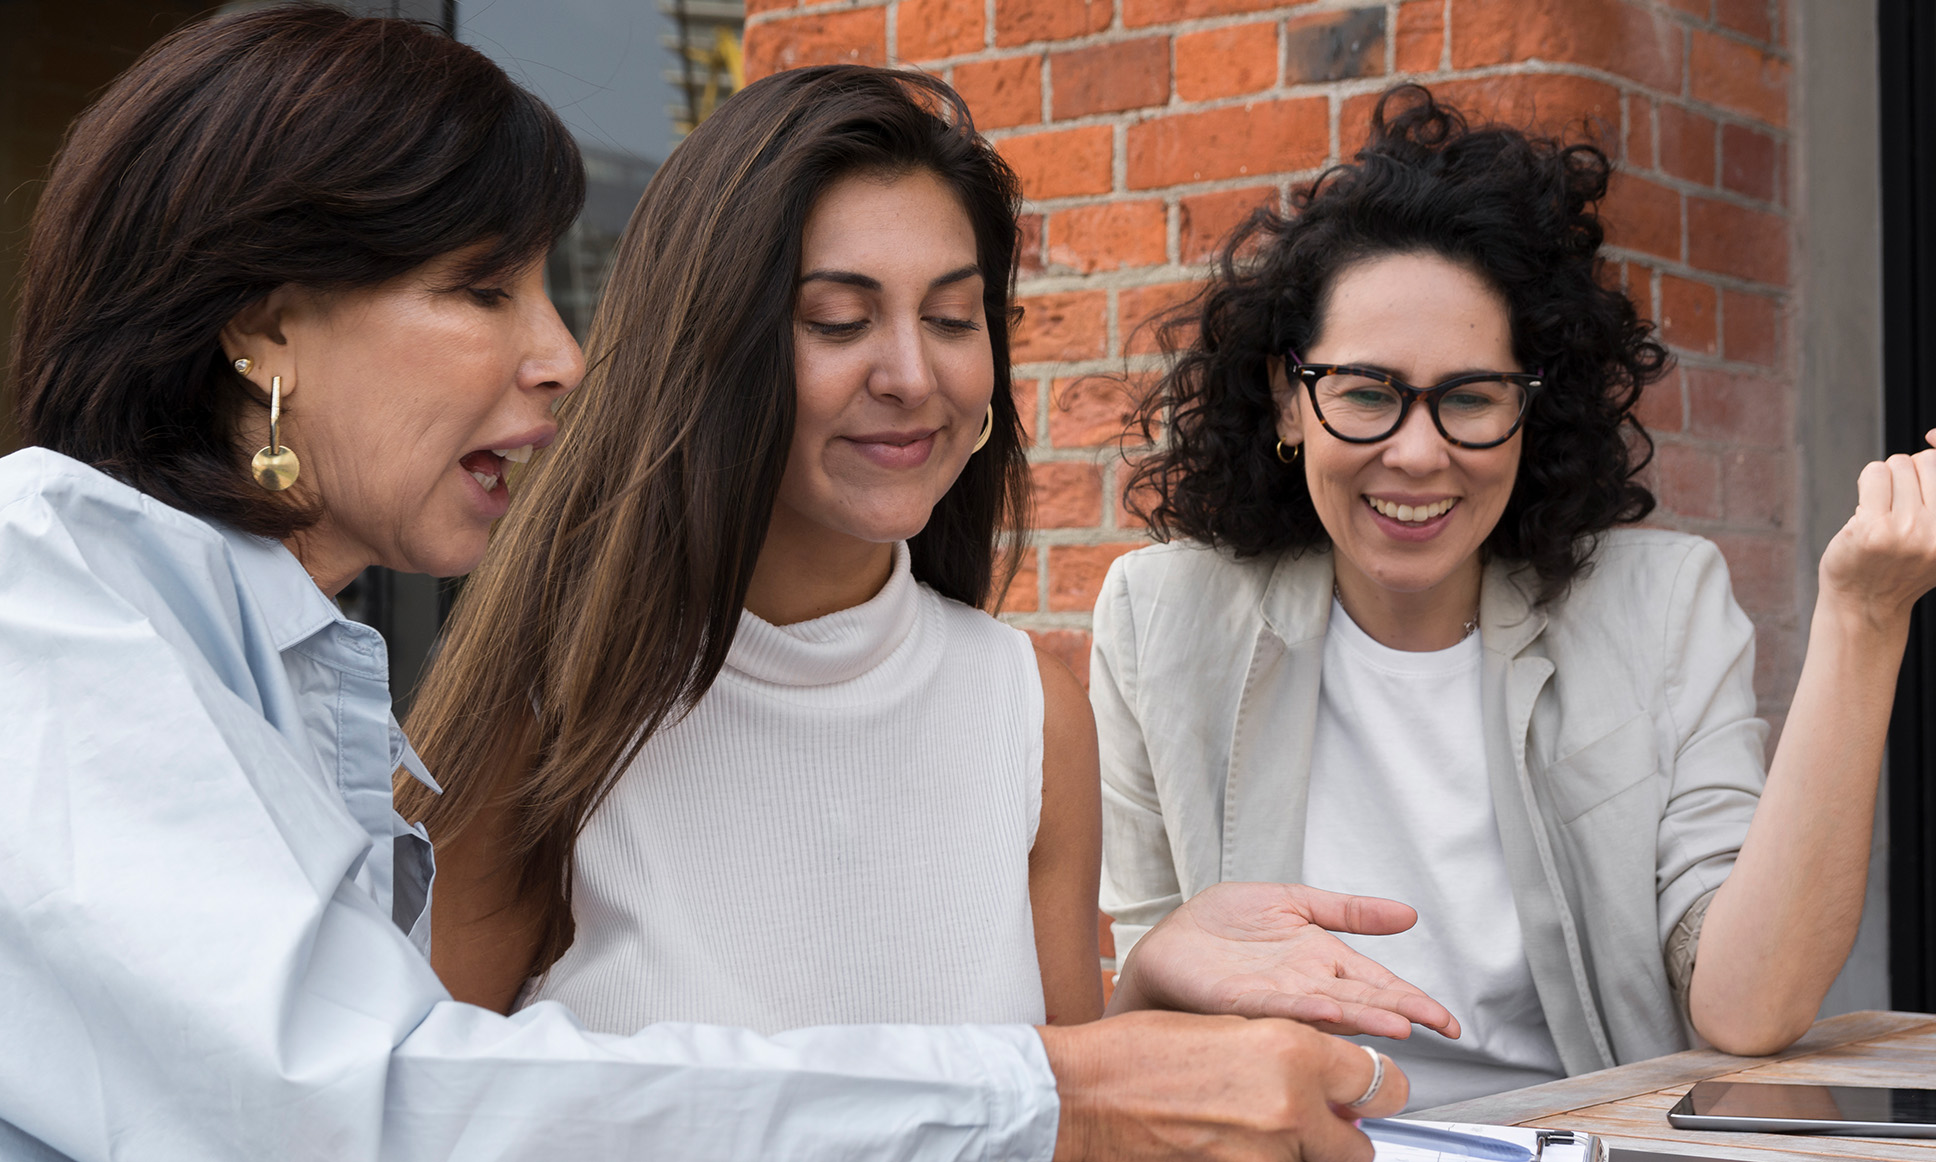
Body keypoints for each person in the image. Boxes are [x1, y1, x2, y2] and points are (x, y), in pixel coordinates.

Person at [0, 10, 1407, 1159]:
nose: (560, 355)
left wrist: (1132, 1019)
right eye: (482, 288)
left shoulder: (285, 661)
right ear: (264, 331)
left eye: (958, 315)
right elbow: (379, 1102)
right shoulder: (53, 591)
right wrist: (1064, 1090)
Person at [401, 64, 1449, 1052]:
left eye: (952, 317)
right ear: (712, 350)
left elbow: (1063, 1119)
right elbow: (423, 1111)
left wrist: (1154, 993)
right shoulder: (549, 705)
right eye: (838, 319)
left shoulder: (1029, 711)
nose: (911, 373)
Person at [1094, 85, 1936, 1111]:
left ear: (1530, 407)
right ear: (1287, 398)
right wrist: (1155, 970)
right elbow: (1146, 1016)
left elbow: (1748, 1005)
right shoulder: (1159, 618)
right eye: (1365, 391)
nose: (1416, 452)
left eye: (1469, 397)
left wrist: (1864, 615)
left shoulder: (1660, 606)